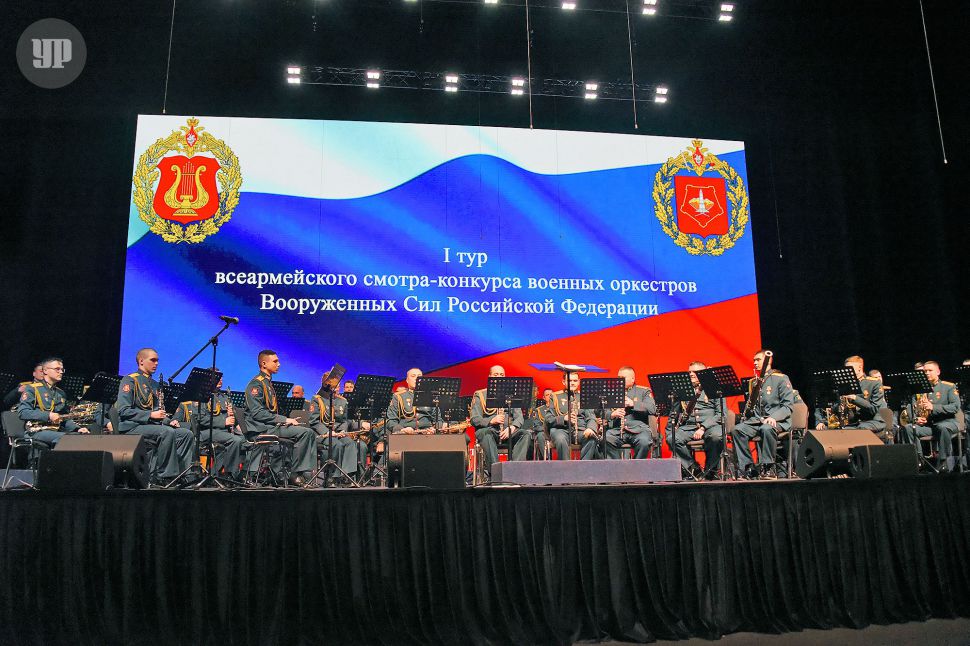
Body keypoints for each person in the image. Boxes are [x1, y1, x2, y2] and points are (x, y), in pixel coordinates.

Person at [115, 348, 194, 482]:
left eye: (157, 360)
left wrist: (168, 420)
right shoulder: (130, 380)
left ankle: (181, 475)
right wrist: (151, 415)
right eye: (153, 360)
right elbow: (123, 410)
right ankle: (165, 477)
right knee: (167, 432)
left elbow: (158, 413)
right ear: (141, 361)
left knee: (186, 434)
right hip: (132, 426)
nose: (156, 363)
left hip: (152, 426)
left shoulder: (155, 384)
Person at [244, 350, 317, 485]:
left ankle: (287, 473)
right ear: (264, 364)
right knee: (306, 433)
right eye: (275, 361)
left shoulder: (268, 383)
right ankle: (295, 474)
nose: (279, 364)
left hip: (270, 426)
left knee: (306, 431)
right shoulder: (256, 384)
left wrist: (283, 421)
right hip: (260, 428)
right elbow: (257, 413)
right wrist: (284, 420)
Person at [731, 349, 795, 479]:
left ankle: (768, 467)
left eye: (758, 360)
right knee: (737, 430)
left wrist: (773, 417)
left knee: (766, 429)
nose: (755, 363)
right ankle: (749, 468)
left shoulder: (781, 379)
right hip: (757, 420)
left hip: (777, 421)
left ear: (768, 360)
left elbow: (787, 406)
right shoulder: (754, 382)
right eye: (754, 360)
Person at [172, 374, 245, 480]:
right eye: (217, 378)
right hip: (207, 431)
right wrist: (224, 421)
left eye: (221, 378)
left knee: (245, 440)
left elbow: (232, 419)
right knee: (235, 440)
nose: (220, 380)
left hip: (222, 432)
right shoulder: (202, 397)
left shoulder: (224, 397)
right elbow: (201, 419)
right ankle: (229, 475)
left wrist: (232, 414)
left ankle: (224, 475)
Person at [898, 360, 960, 471]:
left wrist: (933, 407)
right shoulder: (919, 389)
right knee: (909, 428)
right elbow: (913, 408)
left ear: (938, 372)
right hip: (930, 426)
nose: (927, 373)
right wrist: (916, 418)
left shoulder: (948, 387)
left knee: (942, 427)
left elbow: (955, 407)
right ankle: (918, 461)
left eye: (930, 370)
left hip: (948, 423)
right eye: (925, 371)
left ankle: (944, 461)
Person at [16, 358, 89, 451]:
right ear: (45, 370)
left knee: (81, 437)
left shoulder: (61, 393)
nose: (61, 372)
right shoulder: (32, 388)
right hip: (37, 431)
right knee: (67, 439)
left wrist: (77, 429)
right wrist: (48, 415)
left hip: (56, 431)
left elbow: (63, 418)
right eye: (57, 369)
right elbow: (23, 412)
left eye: (62, 369)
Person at [666, 362, 725, 478]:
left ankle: (711, 471)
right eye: (689, 372)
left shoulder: (714, 388)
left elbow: (721, 414)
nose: (691, 374)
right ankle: (693, 467)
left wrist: (703, 427)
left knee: (716, 437)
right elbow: (675, 412)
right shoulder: (683, 389)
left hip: (711, 426)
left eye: (694, 372)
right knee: (672, 438)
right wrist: (669, 430)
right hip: (689, 427)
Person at [308, 376, 369, 481]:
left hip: (338, 433)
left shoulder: (343, 401)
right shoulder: (317, 399)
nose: (337, 388)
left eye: (338, 385)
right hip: (322, 433)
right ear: (326, 385)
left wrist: (342, 431)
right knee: (337, 444)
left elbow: (344, 420)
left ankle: (347, 476)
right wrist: (328, 432)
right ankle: (332, 477)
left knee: (350, 443)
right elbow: (314, 421)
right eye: (334, 385)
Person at [469, 365, 526, 476]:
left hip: (507, 432)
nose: (499, 377)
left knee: (525, 434)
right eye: (496, 375)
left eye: (501, 375)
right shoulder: (480, 395)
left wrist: (512, 427)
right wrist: (491, 420)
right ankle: (496, 474)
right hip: (489, 430)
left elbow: (519, 417)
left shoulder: (511, 395)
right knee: (486, 434)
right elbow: (474, 419)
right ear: (490, 377)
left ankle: (515, 472)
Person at [813, 356, 887, 435]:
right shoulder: (844, 385)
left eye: (850, 368)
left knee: (855, 430)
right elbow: (833, 407)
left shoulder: (874, 383)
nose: (847, 371)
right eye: (846, 368)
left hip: (870, 421)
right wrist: (823, 420)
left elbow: (874, 409)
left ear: (860, 367)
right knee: (828, 431)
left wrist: (855, 398)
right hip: (852, 423)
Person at [542, 372, 597, 460]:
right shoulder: (555, 396)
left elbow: (591, 417)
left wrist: (590, 428)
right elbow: (548, 419)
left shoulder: (584, 396)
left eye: (575, 380)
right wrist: (564, 418)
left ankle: (583, 466)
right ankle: (566, 467)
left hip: (579, 430)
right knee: (560, 439)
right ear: (563, 382)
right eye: (569, 380)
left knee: (592, 438)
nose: (572, 383)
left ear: (578, 382)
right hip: (560, 430)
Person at [604, 366, 656, 459]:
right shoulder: (612, 393)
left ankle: (636, 466)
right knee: (606, 439)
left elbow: (652, 409)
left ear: (633, 379)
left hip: (639, 430)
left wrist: (633, 404)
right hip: (618, 429)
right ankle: (617, 465)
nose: (619, 380)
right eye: (618, 378)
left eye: (623, 378)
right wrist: (612, 414)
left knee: (644, 441)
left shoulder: (643, 391)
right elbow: (602, 412)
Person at [386, 368, 442, 434]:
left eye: (419, 376)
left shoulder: (431, 396)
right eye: (413, 376)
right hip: (406, 435)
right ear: (407, 380)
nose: (416, 378)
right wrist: (402, 429)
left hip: (427, 434)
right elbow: (391, 421)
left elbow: (438, 420)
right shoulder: (398, 396)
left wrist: (434, 429)